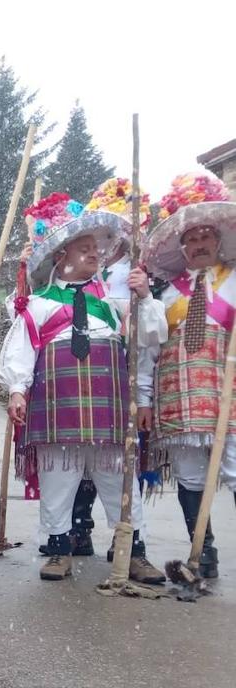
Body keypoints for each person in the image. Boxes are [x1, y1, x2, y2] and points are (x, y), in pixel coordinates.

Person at [0, 194, 165, 584]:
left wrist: (144, 297)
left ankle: (132, 552)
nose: (94, 254)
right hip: (57, 408)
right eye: (84, 249)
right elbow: (21, 352)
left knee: (119, 480)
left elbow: (149, 339)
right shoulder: (36, 305)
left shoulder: (114, 302)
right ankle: (58, 550)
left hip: (108, 410)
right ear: (60, 257)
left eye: (95, 249)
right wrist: (18, 390)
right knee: (59, 479)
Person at [142, 173, 236, 580]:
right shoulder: (165, 295)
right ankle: (204, 549)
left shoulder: (234, 282)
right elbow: (149, 350)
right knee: (191, 476)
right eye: (191, 240)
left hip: (226, 395)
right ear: (182, 248)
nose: (199, 246)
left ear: (217, 242)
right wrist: (144, 399)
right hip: (176, 401)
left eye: (205, 238)